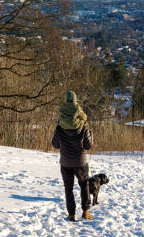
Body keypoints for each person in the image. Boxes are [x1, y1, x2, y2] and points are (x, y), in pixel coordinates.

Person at [52, 91, 94, 221]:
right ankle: (86, 211)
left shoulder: (60, 126)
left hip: (65, 163)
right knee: (84, 185)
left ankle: (71, 214)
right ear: (76, 103)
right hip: (80, 163)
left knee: (68, 188)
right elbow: (88, 146)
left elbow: (55, 144)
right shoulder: (83, 125)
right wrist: (91, 134)